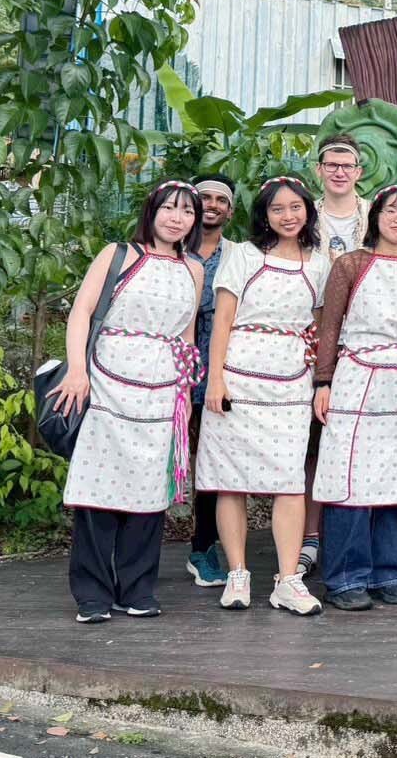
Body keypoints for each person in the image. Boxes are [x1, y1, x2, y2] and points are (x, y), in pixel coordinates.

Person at [52, 181, 205, 623]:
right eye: (169, 209)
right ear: (152, 211)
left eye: (187, 212)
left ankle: (138, 588)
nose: (177, 218)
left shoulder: (193, 268)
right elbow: (82, 312)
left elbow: (187, 335)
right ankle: (93, 595)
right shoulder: (118, 254)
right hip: (106, 380)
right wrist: (78, 371)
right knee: (99, 491)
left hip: (161, 389)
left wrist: (184, 393)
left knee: (148, 493)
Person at [195, 176, 330, 615]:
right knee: (230, 480)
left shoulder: (318, 263)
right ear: (264, 215)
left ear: (308, 210)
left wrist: (319, 381)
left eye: (295, 207)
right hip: (238, 376)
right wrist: (215, 378)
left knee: (289, 481)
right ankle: (237, 573)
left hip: (291, 380)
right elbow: (223, 322)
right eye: (277, 209)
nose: (287, 216)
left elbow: (318, 325)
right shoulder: (244, 256)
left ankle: (288, 580)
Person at [312, 186, 397, 611]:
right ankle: (346, 577)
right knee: (349, 478)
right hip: (357, 377)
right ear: (375, 217)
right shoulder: (351, 264)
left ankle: (391, 571)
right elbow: (329, 326)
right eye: (391, 210)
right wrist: (323, 381)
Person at [298, 134, 371, 579]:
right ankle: (309, 537)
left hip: (364, 345)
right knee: (312, 445)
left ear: (359, 171)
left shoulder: (377, 215)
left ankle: (353, 537)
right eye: (332, 163)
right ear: (320, 169)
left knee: (356, 445)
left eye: (348, 164)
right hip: (310, 340)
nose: (340, 171)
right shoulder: (303, 216)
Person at [185, 173, 238, 590]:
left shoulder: (238, 256)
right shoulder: (166, 248)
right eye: (205, 197)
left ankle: (204, 546)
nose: (213, 204)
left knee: (212, 458)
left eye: (221, 199)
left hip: (217, 366)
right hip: (165, 367)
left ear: (230, 210)